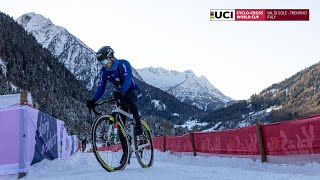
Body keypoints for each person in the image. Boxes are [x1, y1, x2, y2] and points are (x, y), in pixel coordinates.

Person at [86, 46, 143, 135]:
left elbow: (127, 80)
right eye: (101, 62)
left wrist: (121, 91)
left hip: (134, 90)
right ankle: (126, 143)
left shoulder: (123, 64)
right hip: (121, 94)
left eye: (104, 61)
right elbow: (101, 88)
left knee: (129, 100)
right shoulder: (104, 71)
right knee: (121, 127)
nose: (103, 64)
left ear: (111, 57)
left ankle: (139, 125)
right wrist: (93, 100)